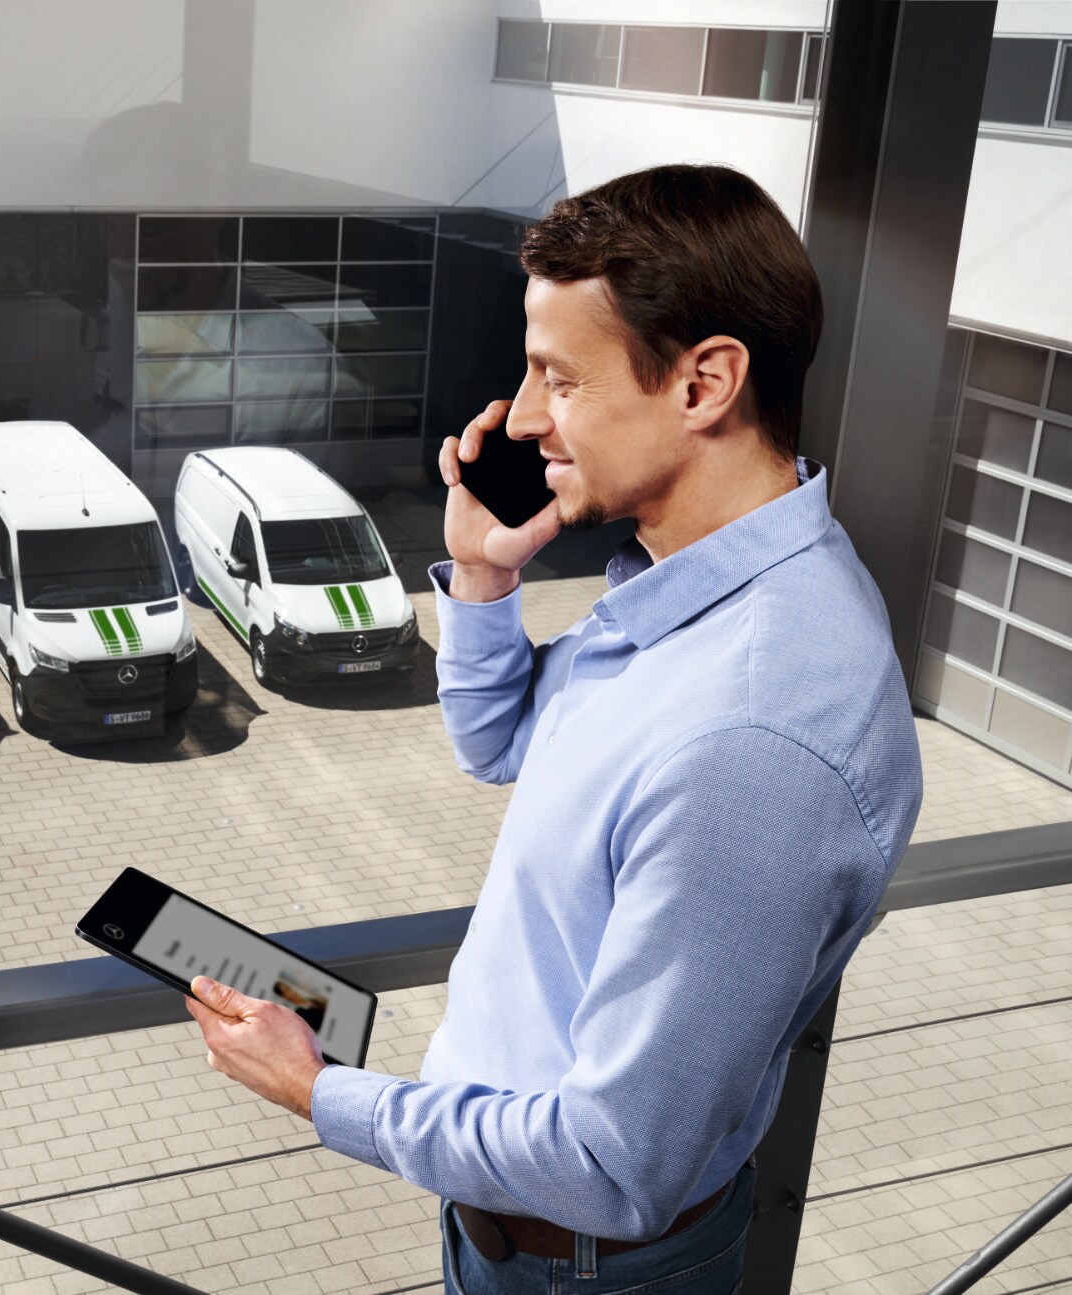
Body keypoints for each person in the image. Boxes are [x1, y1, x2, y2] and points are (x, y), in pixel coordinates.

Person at [183, 163, 924, 1293]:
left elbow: (611, 1163)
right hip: (519, 1238)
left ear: (702, 383)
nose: (524, 419)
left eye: (557, 378)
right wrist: (480, 578)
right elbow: (503, 745)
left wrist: (314, 1089)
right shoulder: (693, 590)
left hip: (581, 1266)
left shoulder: (750, 734)